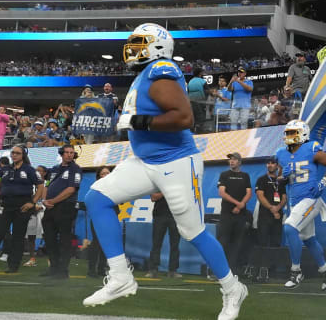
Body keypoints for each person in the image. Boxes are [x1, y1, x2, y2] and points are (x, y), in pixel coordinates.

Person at [82, 23, 247, 319]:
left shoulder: (161, 69)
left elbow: (184, 118)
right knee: (97, 198)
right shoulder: (143, 75)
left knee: (192, 233)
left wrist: (138, 122)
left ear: (157, 46)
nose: (132, 48)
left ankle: (233, 288)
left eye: (139, 42)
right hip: (145, 160)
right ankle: (121, 277)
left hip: (175, 161)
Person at [276, 119, 326, 290]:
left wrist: (323, 182)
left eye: (293, 133)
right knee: (308, 239)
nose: (289, 136)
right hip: (295, 201)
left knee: (290, 228)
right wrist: (283, 177)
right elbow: (279, 180)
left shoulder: (311, 148)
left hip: (311, 198)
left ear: (303, 133)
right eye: (287, 133)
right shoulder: (281, 153)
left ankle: (296, 272)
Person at [0, 145, 45, 285]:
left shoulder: (30, 170)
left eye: (17, 153)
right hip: (5, 205)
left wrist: (32, 202)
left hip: (23, 206)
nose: (14, 155)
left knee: (18, 237)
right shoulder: (4, 170)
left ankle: (13, 266)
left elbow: (40, 186)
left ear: (23, 155)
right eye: (13, 153)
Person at [41, 144, 83, 279]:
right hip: (50, 208)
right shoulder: (54, 169)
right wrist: (44, 200)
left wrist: (52, 201)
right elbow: (46, 185)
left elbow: (71, 189)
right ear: (61, 153)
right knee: (49, 238)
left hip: (66, 207)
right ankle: (53, 268)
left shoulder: (75, 170)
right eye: (67, 152)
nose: (70, 154)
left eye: (72, 152)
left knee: (65, 239)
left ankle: (63, 270)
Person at [253, 157, 287, 282]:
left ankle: (272, 271)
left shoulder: (281, 181)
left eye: (273, 163)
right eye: (268, 163)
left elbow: (284, 197)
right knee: (262, 243)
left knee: (276, 243)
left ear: (277, 166)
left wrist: (278, 208)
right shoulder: (261, 179)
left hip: (277, 217)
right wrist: (272, 208)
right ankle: (261, 270)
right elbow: (260, 196)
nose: (270, 165)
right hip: (265, 216)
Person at [217, 152, 252, 273]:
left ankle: (233, 271)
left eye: (234, 159)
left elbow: (249, 193)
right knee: (223, 242)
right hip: (227, 214)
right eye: (230, 159)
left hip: (240, 216)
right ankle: (221, 271)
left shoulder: (245, 176)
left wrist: (241, 205)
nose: (231, 161)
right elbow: (222, 193)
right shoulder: (224, 175)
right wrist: (239, 204)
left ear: (240, 162)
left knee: (237, 244)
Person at [87, 166, 116, 278]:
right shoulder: (95, 188)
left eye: (108, 173)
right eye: (103, 173)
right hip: (98, 218)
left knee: (107, 244)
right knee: (96, 243)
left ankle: (101, 269)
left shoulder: (115, 187)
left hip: (111, 217)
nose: (106, 175)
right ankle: (91, 270)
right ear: (99, 176)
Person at [145, 192, 182, 278]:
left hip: (176, 216)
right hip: (159, 215)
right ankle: (153, 269)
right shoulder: (158, 181)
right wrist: (166, 190)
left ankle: (173, 270)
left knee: (175, 245)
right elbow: (153, 197)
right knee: (156, 244)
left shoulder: (178, 182)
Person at [188, 68, 208, 133]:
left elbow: (187, 92)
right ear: (200, 73)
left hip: (190, 102)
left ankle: (192, 132)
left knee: (192, 118)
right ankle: (200, 132)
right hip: (200, 102)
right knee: (201, 118)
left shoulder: (190, 82)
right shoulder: (203, 81)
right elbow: (207, 92)